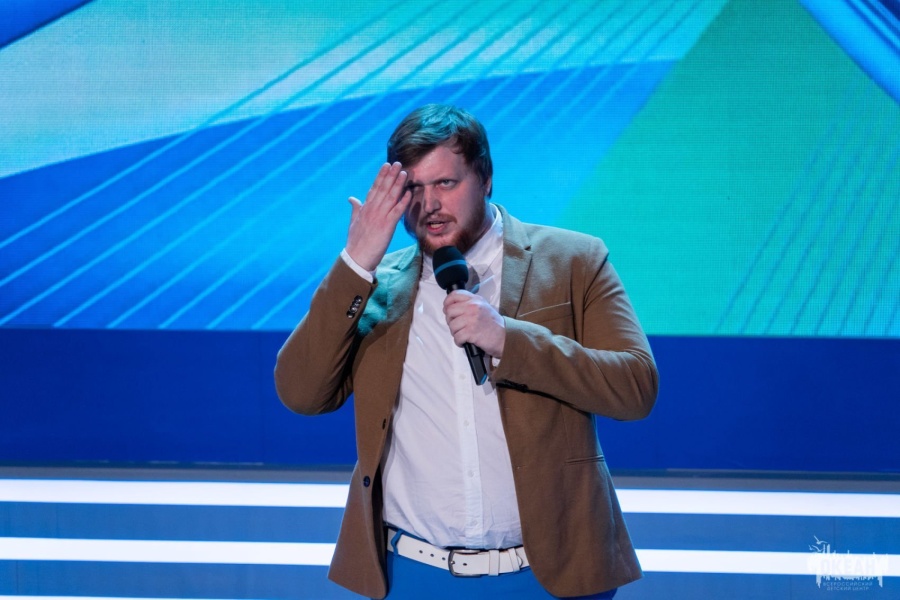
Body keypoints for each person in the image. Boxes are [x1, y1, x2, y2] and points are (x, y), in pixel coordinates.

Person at [274, 104, 658, 599]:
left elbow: (635, 386)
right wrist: (356, 262)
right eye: (413, 188)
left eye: (446, 183)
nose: (429, 204)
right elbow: (300, 392)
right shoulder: (375, 287)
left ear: (486, 178)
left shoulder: (573, 261)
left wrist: (510, 340)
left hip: (549, 575)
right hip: (414, 574)